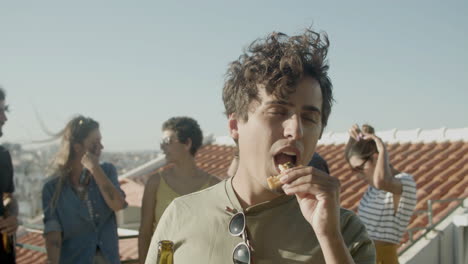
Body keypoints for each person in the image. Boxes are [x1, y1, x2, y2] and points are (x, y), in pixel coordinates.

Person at [145, 29, 375, 263]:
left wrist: (329, 238)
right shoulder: (181, 215)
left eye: (309, 118)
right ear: (235, 125)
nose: (295, 130)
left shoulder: (345, 232)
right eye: (277, 112)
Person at [42, 115, 127, 264]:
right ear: (77, 147)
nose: (101, 147)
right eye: (95, 142)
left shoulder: (107, 171)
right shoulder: (52, 189)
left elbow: (118, 204)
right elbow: (53, 234)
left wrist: (95, 169)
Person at [138, 116, 219, 263]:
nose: (162, 146)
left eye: (167, 141)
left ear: (187, 143)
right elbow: (144, 233)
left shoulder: (214, 185)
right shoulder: (155, 183)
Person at [345, 124, 417, 264]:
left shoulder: (405, 182)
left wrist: (381, 147)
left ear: (376, 157)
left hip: (382, 258)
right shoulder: (373, 188)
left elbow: (382, 180)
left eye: (360, 168)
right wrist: (353, 140)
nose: (358, 176)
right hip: (362, 256)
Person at [0, 87, 18, 263]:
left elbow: (8, 196)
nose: (4, 119)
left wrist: (12, 215)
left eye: (4, 111)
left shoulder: (4, 156)